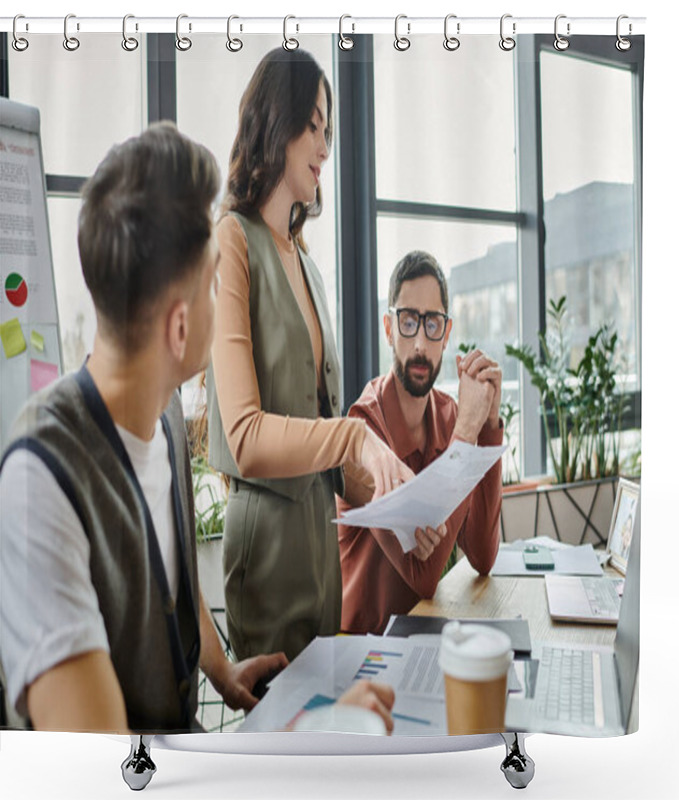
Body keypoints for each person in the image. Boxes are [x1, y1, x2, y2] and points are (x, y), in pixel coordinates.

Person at [0, 123, 394, 735]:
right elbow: (99, 770)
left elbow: (171, 573)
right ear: (181, 329)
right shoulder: (39, 479)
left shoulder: (164, 420)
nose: (227, 295)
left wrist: (220, 668)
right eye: (216, 280)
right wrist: (298, 732)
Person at [206, 48, 412, 663]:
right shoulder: (232, 242)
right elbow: (244, 436)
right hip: (266, 561)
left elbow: (325, 442)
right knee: (282, 750)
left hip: (323, 561)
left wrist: (396, 502)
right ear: (277, 121)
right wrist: (352, 438)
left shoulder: (309, 267)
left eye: (329, 130)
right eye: (314, 125)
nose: (326, 146)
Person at [336, 251, 504, 635]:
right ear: (388, 328)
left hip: (426, 637)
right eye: (408, 321)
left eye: (432, 325)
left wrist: (489, 425)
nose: (419, 344)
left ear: (446, 335)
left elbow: (481, 556)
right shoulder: (364, 428)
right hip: (365, 650)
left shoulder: (449, 416)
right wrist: (466, 434)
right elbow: (423, 575)